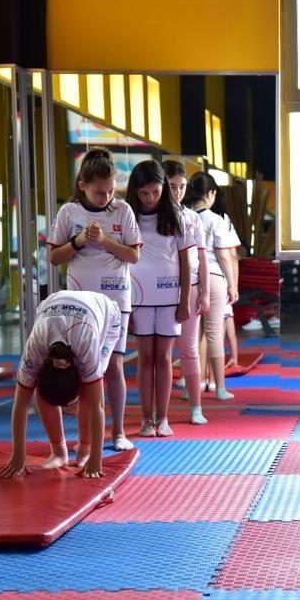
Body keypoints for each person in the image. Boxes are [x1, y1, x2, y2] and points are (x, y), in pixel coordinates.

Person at [48, 148, 141, 451]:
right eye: (100, 192)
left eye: (112, 190)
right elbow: (53, 257)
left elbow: (134, 255)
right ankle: (87, 437)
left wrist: (104, 241)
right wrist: (78, 241)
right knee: (84, 368)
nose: (106, 198)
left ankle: (117, 431)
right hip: (80, 302)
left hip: (115, 298)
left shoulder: (123, 210)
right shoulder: (68, 213)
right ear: (83, 186)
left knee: (113, 365)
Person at [0, 291, 123, 479]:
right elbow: (21, 403)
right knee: (41, 391)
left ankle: (85, 450)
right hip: (54, 307)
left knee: (90, 391)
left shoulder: (86, 345)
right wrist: (18, 455)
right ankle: (58, 451)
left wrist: (96, 459)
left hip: (107, 315)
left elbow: (97, 405)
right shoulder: (35, 350)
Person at [126, 160, 193, 437]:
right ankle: (145, 419)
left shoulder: (177, 216)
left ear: (163, 189)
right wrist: (125, 306)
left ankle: (162, 418)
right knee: (145, 357)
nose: (150, 198)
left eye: (155, 192)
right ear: (135, 191)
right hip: (138, 296)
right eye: (144, 193)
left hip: (169, 296)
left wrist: (185, 299)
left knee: (164, 357)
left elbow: (185, 261)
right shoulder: (127, 216)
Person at [164, 160, 211, 424]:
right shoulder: (148, 217)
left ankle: (196, 407)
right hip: (159, 290)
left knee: (190, 349)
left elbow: (202, 258)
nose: (178, 192)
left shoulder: (192, 218)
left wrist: (204, 292)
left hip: (190, 287)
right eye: (173, 186)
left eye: (182, 187)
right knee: (162, 353)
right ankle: (161, 412)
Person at [186, 172, 238, 401]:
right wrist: (233, 285)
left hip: (189, 279)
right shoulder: (216, 219)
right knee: (214, 333)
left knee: (192, 336)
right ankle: (219, 388)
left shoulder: (183, 217)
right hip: (214, 276)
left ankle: (192, 388)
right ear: (210, 194)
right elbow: (225, 256)